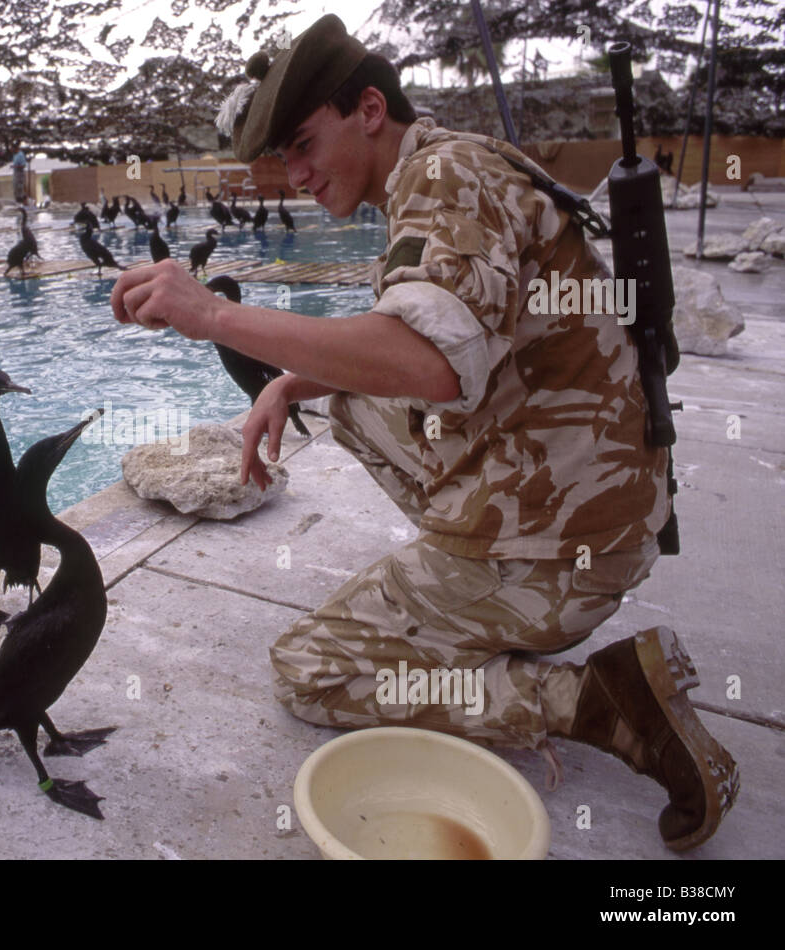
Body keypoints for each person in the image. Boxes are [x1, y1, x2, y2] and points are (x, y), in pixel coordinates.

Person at [109, 13, 737, 850]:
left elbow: (429, 364)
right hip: (599, 509)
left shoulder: (444, 180)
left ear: (369, 108)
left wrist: (215, 313)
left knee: (310, 670)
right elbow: (433, 336)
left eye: (304, 144)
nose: (295, 175)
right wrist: (291, 384)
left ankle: (596, 699)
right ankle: (463, 578)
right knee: (346, 397)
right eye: (282, 159)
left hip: (562, 548)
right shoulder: (453, 166)